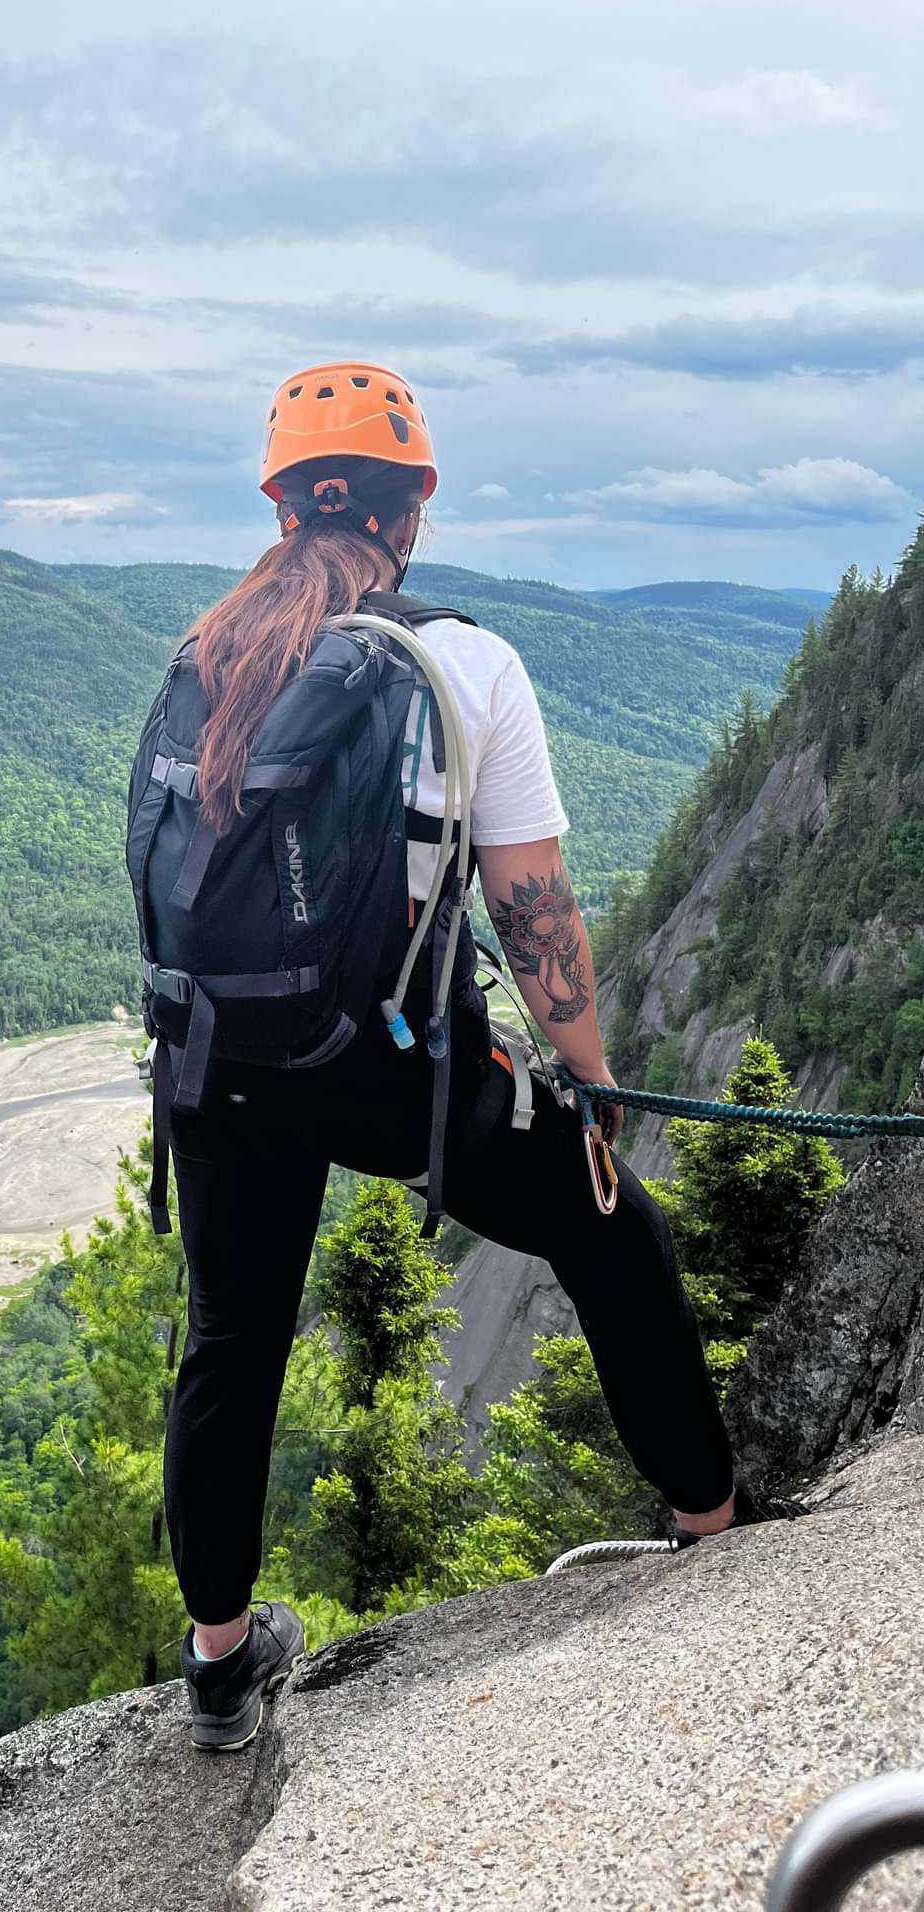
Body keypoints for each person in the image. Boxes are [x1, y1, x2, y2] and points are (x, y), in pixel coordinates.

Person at [151, 362, 792, 1755]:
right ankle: (713, 1529)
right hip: (392, 1056)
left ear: (278, 508)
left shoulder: (207, 654)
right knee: (617, 1238)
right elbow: (533, 910)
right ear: (413, 508)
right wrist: (593, 1089)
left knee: (231, 1333)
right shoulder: (469, 661)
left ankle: (217, 1664)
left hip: (223, 1053)